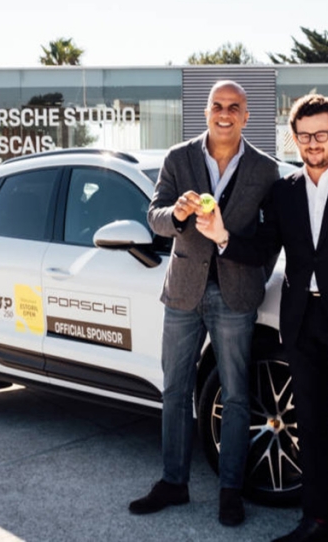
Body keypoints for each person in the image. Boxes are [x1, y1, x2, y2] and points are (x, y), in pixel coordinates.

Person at [196, 94, 328, 542]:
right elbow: (263, 248)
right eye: (304, 135)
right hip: (301, 321)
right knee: (308, 423)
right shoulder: (284, 191)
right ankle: (316, 520)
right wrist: (222, 237)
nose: (313, 143)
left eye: (321, 134)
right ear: (294, 138)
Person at [129, 80, 280, 527]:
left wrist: (255, 274)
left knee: (235, 395)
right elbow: (154, 217)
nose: (224, 113)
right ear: (206, 111)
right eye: (217, 105)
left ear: (246, 116)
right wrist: (176, 214)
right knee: (175, 390)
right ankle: (173, 482)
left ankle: (230, 490)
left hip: (236, 295)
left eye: (234, 107)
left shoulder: (265, 170)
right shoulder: (179, 158)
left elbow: (270, 239)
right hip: (183, 291)